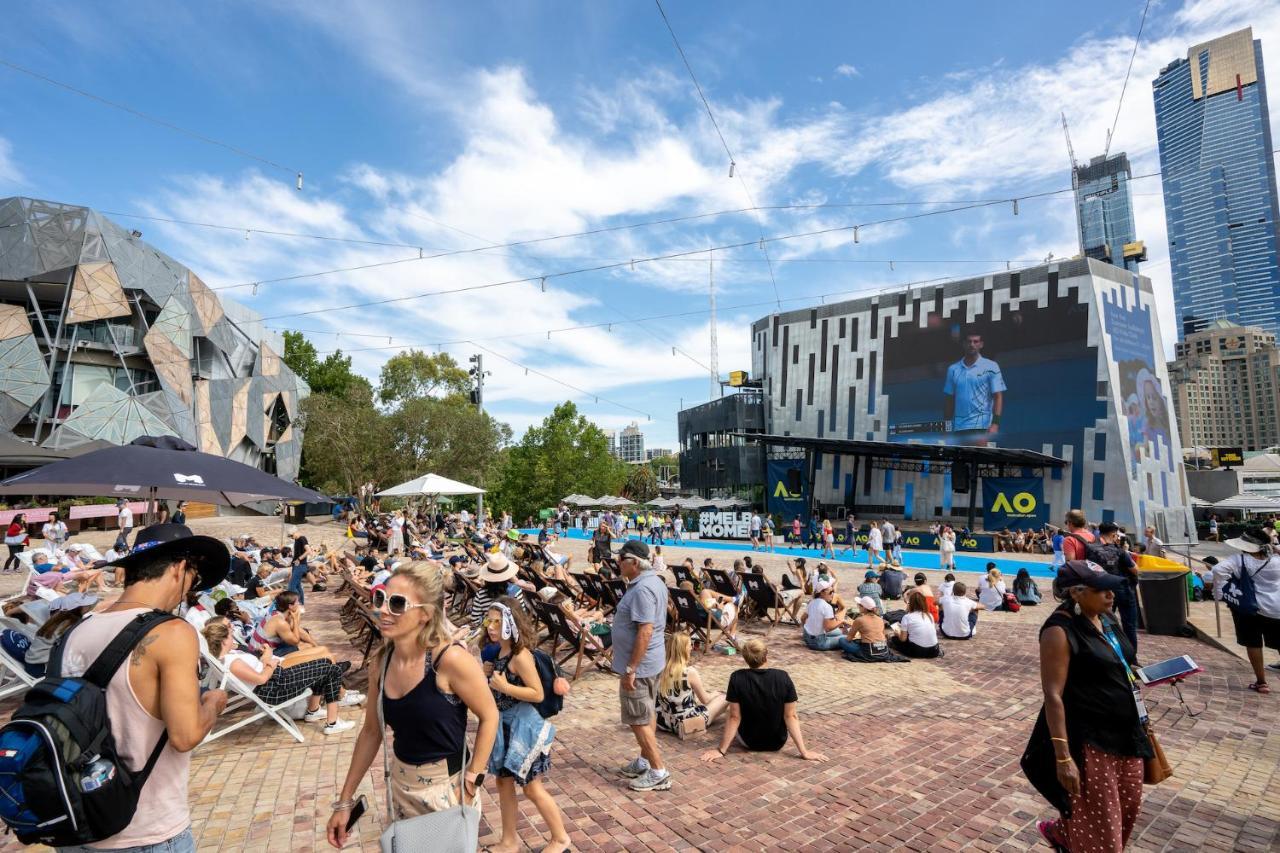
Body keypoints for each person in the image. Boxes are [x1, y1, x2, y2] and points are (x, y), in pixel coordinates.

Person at [58, 523, 230, 850]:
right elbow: (185, 736)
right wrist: (213, 703)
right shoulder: (173, 633)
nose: (187, 592)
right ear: (180, 569)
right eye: (193, 579)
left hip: (77, 824)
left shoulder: (79, 629)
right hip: (143, 828)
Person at [328, 564, 499, 849]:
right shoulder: (381, 663)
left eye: (397, 604)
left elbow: (490, 715)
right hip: (400, 789)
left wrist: (472, 780)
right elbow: (372, 732)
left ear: (426, 614)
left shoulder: (449, 660)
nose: (383, 610)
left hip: (447, 792)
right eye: (381, 598)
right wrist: (345, 800)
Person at [1031, 560, 1152, 852]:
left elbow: (1124, 663)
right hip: (1092, 742)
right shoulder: (1059, 631)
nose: (1111, 595)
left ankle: (1063, 832)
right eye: (1102, 589)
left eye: (1111, 587)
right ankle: (1065, 834)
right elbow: (1053, 695)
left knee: (1123, 816)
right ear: (1076, 592)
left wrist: (1150, 678)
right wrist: (1063, 758)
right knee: (1104, 838)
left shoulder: (1107, 618)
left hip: (1129, 734)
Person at [477, 600, 572, 853]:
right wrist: (488, 673)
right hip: (505, 728)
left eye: (497, 621)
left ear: (511, 623)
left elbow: (537, 693)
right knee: (503, 783)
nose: (491, 627)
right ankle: (509, 841)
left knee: (531, 787)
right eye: (489, 621)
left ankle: (561, 839)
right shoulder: (499, 653)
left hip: (524, 729)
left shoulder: (520, 656)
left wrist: (506, 687)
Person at [203, 619, 358, 734]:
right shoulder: (233, 662)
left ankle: (313, 710)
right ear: (223, 641)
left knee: (324, 663)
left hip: (277, 679)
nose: (232, 638)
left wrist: (266, 660)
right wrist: (269, 660)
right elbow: (261, 679)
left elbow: (257, 674)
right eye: (230, 636)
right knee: (332, 670)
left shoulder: (227, 656)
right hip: (275, 689)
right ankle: (332, 723)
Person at [698, 638, 825, 763]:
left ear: (746, 658)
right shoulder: (783, 677)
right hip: (777, 742)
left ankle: (729, 738)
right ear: (766, 655)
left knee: (731, 709)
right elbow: (790, 716)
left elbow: (734, 717)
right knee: (786, 711)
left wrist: (721, 750)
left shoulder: (737, 677)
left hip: (748, 741)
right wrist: (804, 752)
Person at [612, 540, 671, 792]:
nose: (617, 563)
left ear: (634, 563)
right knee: (646, 712)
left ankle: (658, 770)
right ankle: (646, 759)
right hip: (651, 660)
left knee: (637, 718)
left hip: (641, 665)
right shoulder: (652, 582)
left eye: (621, 559)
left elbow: (645, 630)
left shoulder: (642, 590)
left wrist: (631, 668)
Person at [1212, 526, 1280, 695]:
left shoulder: (1240, 560)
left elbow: (1217, 570)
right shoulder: (1276, 560)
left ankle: (1262, 682)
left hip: (1250, 608)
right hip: (1276, 608)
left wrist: (1220, 591)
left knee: (1253, 643)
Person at [657, 632, 728, 736]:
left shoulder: (660, 670)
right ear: (683, 649)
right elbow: (706, 699)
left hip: (665, 723)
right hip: (687, 723)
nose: (692, 648)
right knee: (725, 697)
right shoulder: (689, 672)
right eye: (690, 645)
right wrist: (716, 693)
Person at [943, 329, 1006, 437]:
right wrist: (946, 427)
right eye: (969, 341)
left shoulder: (991, 366)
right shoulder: (953, 369)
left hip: (982, 426)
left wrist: (995, 424)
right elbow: (949, 400)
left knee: (978, 454)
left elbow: (998, 396)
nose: (972, 345)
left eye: (975, 341)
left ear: (981, 344)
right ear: (964, 344)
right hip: (959, 427)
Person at [24, 592, 98, 677]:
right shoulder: (70, 625)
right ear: (81, 608)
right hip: (41, 668)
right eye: (88, 605)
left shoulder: (59, 617)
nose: (90, 607)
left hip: (33, 661)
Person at [1096, 522, 1141, 651]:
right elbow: (1135, 570)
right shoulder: (1120, 552)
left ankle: (1104, 651)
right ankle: (1131, 656)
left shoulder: (1092, 548)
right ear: (1113, 534)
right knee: (1129, 625)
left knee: (1104, 622)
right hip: (1123, 590)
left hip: (1103, 589)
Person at [889, 592, 942, 658]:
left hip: (917, 651)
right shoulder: (929, 615)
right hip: (934, 650)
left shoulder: (907, 617)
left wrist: (898, 634)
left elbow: (903, 639)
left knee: (895, 639)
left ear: (911, 604)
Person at [839, 596, 890, 662]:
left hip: (868, 652)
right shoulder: (880, 619)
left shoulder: (859, 620)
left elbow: (849, 638)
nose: (858, 607)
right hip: (883, 650)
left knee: (841, 640)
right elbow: (883, 635)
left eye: (859, 605)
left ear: (864, 608)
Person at [802, 579, 845, 650]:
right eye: (831, 592)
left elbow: (803, 618)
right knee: (845, 638)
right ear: (822, 592)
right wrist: (842, 621)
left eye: (833, 592)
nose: (833, 595)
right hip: (819, 643)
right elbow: (828, 628)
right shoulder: (827, 606)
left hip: (806, 637)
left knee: (838, 632)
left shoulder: (812, 602)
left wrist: (809, 629)